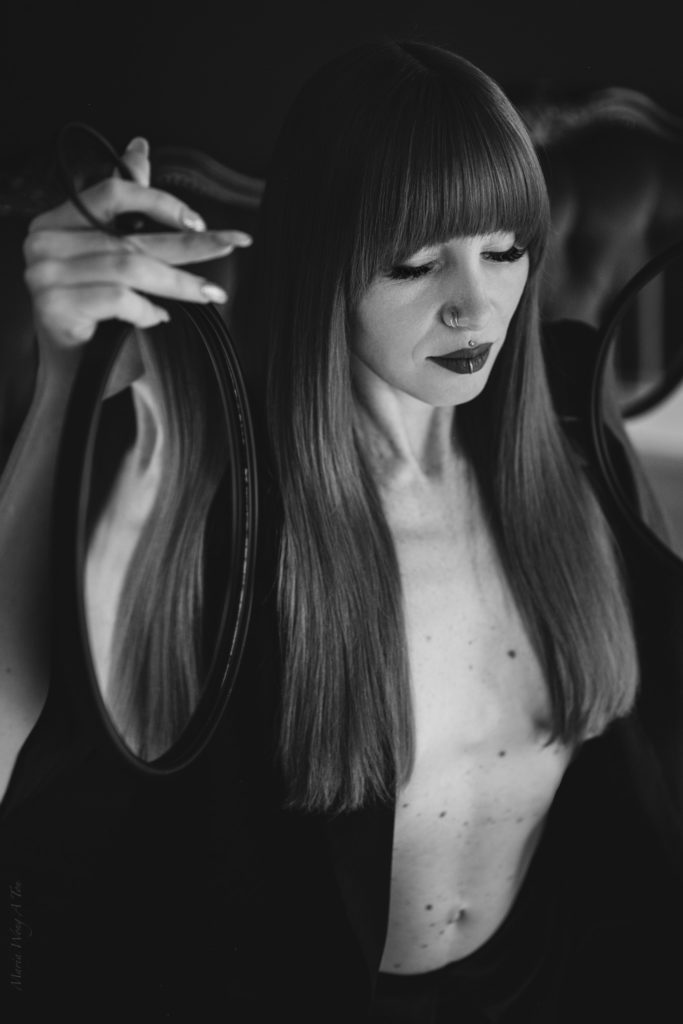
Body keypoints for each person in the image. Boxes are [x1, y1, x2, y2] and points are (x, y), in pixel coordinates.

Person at [4, 37, 683, 1022]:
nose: (474, 305)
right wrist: (64, 383)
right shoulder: (226, 481)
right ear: (324, 264)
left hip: (550, 979)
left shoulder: (576, 417)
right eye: (415, 262)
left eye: (503, 251)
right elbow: (18, 743)